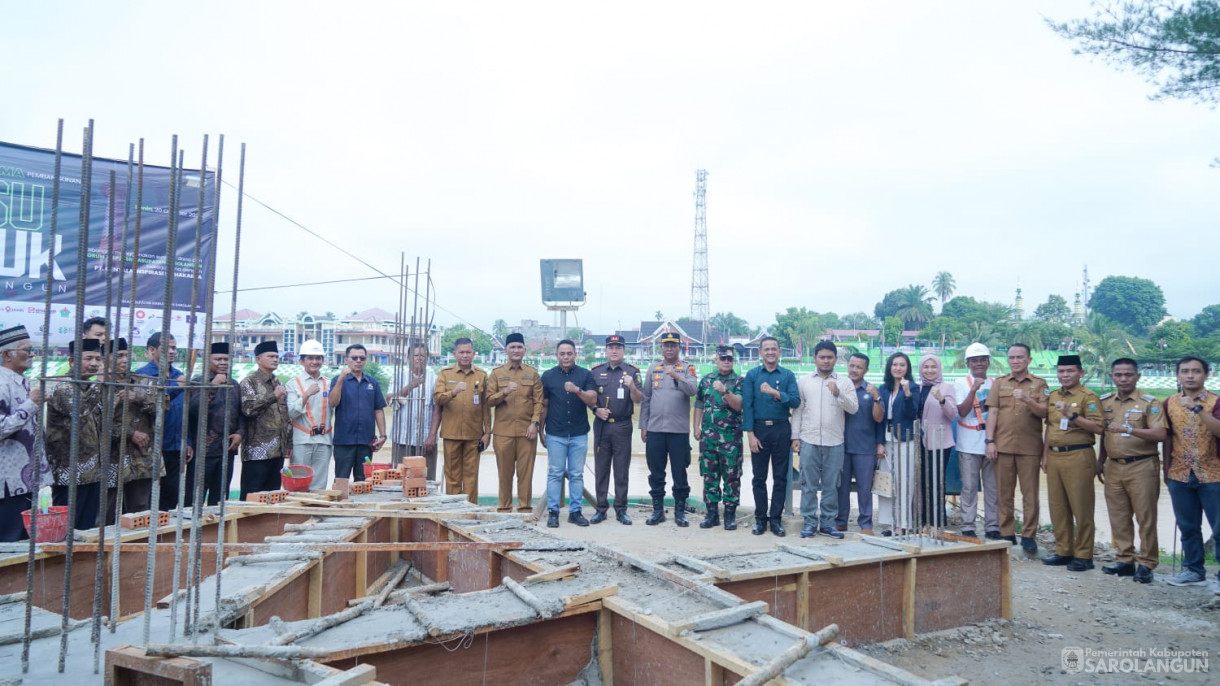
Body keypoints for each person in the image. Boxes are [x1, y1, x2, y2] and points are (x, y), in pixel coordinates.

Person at [1097, 358, 1166, 584]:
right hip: (1114, 466)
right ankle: (1125, 560)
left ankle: (1147, 563)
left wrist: (1130, 429)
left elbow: (1160, 435)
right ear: (1112, 377)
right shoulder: (1105, 401)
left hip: (1142, 465)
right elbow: (1105, 436)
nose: (1124, 379)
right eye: (1119, 375)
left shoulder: (1150, 403)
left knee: (1145, 516)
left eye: (1128, 375)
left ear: (1137, 376)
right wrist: (1101, 462)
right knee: (1119, 516)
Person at [1040, 354, 1104, 572]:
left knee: (1081, 506)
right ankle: (1063, 550)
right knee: (1058, 506)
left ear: (1080, 373)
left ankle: (1084, 555)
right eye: (1061, 371)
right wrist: (1045, 455)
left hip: (1079, 456)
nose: (1064, 375)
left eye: (1070, 371)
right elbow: (1050, 426)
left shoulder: (1088, 397)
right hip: (1055, 456)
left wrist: (1073, 416)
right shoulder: (1054, 395)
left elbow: (1098, 428)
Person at [1161, 356, 1220, 589]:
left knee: (1219, 528)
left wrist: (1197, 409)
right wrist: (1165, 468)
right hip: (1180, 472)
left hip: (1214, 473)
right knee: (1187, 526)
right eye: (1184, 371)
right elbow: (1167, 438)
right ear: (1177, 375)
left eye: (1196, 371)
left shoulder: (1215, 402)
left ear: (1206, 374)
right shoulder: (1169, 403)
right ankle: (1193, 569)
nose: (1190, 375)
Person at [985, 343, 1049, 553]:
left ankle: (1029, 535)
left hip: (1029, 447)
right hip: (1002, 445)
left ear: (1029, 360)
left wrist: (1028, 399)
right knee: (1004, 492)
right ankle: (1007, 532)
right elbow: (992, 413)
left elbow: (1044, 413)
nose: (1015, 361)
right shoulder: (1000, 383)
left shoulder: (1039, 384)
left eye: (1020, 357)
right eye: (1012, 357)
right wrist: (989, 441)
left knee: (1030, 494)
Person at [791, 341, 859, 539]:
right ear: (815, 358)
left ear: (836, 359)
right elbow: (798, 411)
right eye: (822, 357)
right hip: (809, 440)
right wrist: (795, 437)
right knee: (808, 484)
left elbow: (854, 408)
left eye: (830, 357)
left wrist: (839, 394)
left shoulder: (844, 382)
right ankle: (809, 523)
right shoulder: (804, 381)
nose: (826, 361)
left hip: (835, 441)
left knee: (831, 485)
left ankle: (828, 524)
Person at [742, 336, 800, 537]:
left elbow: (795, 401)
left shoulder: (787, 375)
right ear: (760, 352)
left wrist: (775, 392)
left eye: (773, 349)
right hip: (758, 430)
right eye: (766, 349)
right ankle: (760, 519)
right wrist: (750, 435)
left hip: (781, 429)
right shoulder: (752, 375)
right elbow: (747, 406)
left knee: (780, 477)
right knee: (758, 477)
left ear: (779, 352)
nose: (770, 352)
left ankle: (776, 519)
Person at [639, 332, 698, 527]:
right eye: (666, 345)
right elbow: (646, 398)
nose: (670, 349)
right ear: (662, 348)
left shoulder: (687, 368)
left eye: (673, 345)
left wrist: (676, 376)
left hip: (678, 431)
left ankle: (680, 512)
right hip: (655, 429)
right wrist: (644, 426)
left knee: (679, 472)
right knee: (656, 472)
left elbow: (692, 390)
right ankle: (658, 511)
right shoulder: (653, 368)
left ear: (679, 347)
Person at [46, 339, 105, 530]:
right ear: (72, 362)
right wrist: (100, 384)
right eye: (88, 358)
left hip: (92, 471)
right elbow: (80, 411)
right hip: (68, 473)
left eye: (98, 359)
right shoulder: (63, 387)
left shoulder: (88, 387)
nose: (94, 364)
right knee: (66, 528)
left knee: (87, 527)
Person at [539, 339, 597, 527]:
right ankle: (553, 512)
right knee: (555, 473)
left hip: (579, 433)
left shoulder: (585, 374)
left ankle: (575, 512)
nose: (566, 357)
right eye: (562, 354)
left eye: (569, 353)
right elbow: (544, 405)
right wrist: (540, 429)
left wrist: (577, 390)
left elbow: (593, 399)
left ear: (575, 354)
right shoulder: (547, 376)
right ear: (556, 355)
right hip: (555, 433)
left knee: (576, 474)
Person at [0, 326, 49, 541]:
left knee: (26, 541)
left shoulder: (23, 382)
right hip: (9, 483)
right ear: (6, 354)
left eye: (32, 349)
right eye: (26, 349)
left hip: (29, 479)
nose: (31, 354)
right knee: (9, 544)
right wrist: (31, 404)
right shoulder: (1, 383)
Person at [486, 333, 542, 512]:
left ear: (524, 350)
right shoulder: (497, 374)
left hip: (527, 431)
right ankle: (504, 508)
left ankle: (525, 508)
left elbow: (538, 401)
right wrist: (504, 392)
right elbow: (489, 400)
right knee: (504, 473)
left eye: (519, 347)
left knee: (525, 473)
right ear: (506, 350)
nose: (516, 351)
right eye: (512, 347)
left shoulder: (532, 373)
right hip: (503, 432)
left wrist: (535, 423)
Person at [104, 338, 161, 514]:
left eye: (127, 355)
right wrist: (129, 433)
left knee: (141, 512)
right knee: (107, 512)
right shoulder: (99, 385)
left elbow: (163, 406)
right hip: (111, 458)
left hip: (141, 459)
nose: (124, 360)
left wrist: (138, 397)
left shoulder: (144, 381)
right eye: (119, 356)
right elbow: (96, 424)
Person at [590, 335, 642, 525]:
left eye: (618, 347)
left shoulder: (632, 372)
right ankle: (601, 508)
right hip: (602, 425)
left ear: (624, 350)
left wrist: (632, 386)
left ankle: (621, 509)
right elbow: (590, 397)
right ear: (605, 350)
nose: (614, 351)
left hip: (622, 425)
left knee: (621, 469)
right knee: (601, 468)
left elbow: (638, 399)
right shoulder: (595, 372)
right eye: (611, 347)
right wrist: (596, 410)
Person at [186, 343, 244, 505]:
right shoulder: (198, 383)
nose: (223, 362)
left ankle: (216, 529)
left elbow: (242, 413)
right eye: (218, 359)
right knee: (194, 498)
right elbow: (193, 409)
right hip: (202, 451)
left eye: (226, 359)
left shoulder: (234, 384)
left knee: (219, 499)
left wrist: (240, 433)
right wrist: (213, 386)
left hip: (227, 449)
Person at [433, 338, 490, 503]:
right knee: (452, 475)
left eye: (468, 352)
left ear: (473, 354)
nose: (465, 356)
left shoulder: (481, 374)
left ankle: (470, 510)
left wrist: (487, 433)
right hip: (452, 433)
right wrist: (453, 392)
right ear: (454, 354)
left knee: (471, 475)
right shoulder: (445, 373)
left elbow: (485, 406)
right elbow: (437, 399)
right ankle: (454, 510)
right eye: (461, 352)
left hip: (474, 434)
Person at [135, 332, 187, 511]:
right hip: (151, 447)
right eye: (167, 348)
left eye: (174, 348)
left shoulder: (178, 375)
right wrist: (176, 387)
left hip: (175, 446)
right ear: (152, 350)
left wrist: (186, 441)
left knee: (171, 495)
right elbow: (148, 403)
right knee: (147, 497)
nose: (172, 351)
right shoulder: (143, 376)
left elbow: (182, 412)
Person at [694, 345, 744, 530]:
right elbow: (699, 403)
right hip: (708, 438)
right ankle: (712, 514)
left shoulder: (739, 382)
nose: (726, 362)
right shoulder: (707, 380)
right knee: (709, 476)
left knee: (732, 476)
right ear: (716, 360)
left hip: (731, 439)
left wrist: (724, 391)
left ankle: (729, 515)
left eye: (729, 359)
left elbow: (739, 405)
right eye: (722, 358)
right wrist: (696, 426)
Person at [953, 343, 999, 539]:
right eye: (974, 360)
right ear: (968, 363)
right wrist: (973, 390)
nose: (978, 364)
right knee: (969, 487)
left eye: (982, 360)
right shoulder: (960, 383)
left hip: (991, 443)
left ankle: (993, 526)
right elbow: (961, 412)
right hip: (968, 443)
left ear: (988, 362)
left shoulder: (996, 383)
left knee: (992, 487)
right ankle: (968, 525)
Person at [329, 344, 387, 496]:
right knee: (341, 480)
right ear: (347, 360)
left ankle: (362, 512)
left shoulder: (372, 383)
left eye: (362, 358)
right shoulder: (338, 380)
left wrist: (383, 435)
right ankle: (339, 512)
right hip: (344, 442)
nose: (358, 361)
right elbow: (333, 402)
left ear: (365, 361)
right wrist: (341, 379)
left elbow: (378, 410)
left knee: (364, 481)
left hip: (366, 442)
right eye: (354, 358)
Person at [836, 352, 884, 535]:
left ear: (866, 369)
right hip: (841, 445)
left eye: (859, 367)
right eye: (852, 366)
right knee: (842, 487)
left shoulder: (872, 390)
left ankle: (866, 523)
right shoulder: (840, 388)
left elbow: (879, 419)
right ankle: (841, 521)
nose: (854, 370)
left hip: (865, 447)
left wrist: (877, 398)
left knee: (865, 488)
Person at [239, 341, 291, 498]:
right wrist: (272, 397)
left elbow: (285, 416)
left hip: (278, 451)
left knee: (273, 495)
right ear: (258, 359)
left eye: (276, 356)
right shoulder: (249, 382)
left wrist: (288, 443)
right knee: (252, 495)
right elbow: (248, 409)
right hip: (257, 452)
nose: (275, 359)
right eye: (270, 356)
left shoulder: (277, 382)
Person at [876, 352, 919, 536]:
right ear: (889, 367)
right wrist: (878, 442)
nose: (898, 368)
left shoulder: (914, 388)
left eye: (902, 365)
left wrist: (907, 393)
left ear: (907, 368)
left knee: (904, 481)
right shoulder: (883, 388)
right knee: (887, 481)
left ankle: (902, 523)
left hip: (905, 439)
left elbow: (912, 413)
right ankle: (888, 522)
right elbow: (878, 418)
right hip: (886, 438)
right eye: (895, 364)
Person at [285, 340, 332, 491]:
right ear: (301, 361)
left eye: (318, 358)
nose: (314, 362)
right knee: (299, 480)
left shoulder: (329, 383)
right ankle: (298, 515)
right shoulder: (293, 384)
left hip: (324, 440)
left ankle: (317, 512)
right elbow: (291, 412)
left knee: (319, 482)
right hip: (302, 440)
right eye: (310, 358)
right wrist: (306, 395)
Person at [389, 343, 440, 479]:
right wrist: (410, 386)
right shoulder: (399, 376)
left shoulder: (434, 379)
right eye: (416, 355)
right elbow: (389, 400)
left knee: (426, 479)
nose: (419, 358)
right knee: (401, 477)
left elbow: (437, 408)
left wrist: (432, 435)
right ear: (408, 357)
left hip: (425, 439)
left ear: (428, 358)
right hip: (402, 437)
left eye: (423, 355)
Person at [917, 355, 957, 529]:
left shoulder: (946, 387)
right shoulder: (917, 387)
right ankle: (924, 520)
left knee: (936, 481)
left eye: (933, 367)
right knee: (922, 481)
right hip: (920, 441)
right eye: (926, 367)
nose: (930, 370)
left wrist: (942, 400)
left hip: (940, 441)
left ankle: (937, 520)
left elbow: (953, 413)